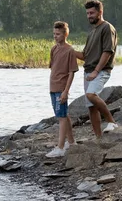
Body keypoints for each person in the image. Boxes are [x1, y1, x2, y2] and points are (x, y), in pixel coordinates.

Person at [72, 0, 119, 138]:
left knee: (91, 95)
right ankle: (98, 138)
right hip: (88, 72)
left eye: (92, 13)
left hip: (101, 71)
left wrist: (96, 71)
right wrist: (68, 49)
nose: (89, 16)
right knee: (91, 107)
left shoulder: (107, 28)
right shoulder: (92, 31)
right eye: (87, 13)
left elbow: (107, 51)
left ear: (100, 12)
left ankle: (112, 121)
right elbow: (85, 55)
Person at [45, 21, 79, 158]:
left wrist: (65, 91)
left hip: (61, 88)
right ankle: (71, 142)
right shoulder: (53, 49)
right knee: (64, 114)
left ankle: (60, 147)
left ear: (65, 34)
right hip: (53, 87)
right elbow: (53, 67)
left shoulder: (70, 50)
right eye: (54, 34)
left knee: (61, 117)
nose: (55, 36)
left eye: (58, 34)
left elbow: (71, 72)